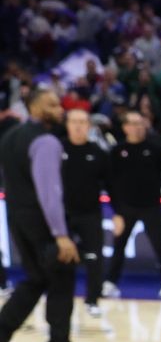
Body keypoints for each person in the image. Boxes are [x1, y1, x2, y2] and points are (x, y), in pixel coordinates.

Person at [0, 89, 84, 342]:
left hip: (16, 216)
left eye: (59, 104)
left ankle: (1, 336)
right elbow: (49, 193)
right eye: (51, 105)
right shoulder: (46, 142)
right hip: (42, 222)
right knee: (61, 280)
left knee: (35, 279)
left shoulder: (10, 137)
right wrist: (61, 234)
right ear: (34, 107)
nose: (59, 109)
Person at [104, 110, 161, 300]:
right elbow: (109, 182)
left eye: (141, 124)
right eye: (134, 124)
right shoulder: (116, 151)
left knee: (159, 245)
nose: (138, 127)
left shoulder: (155, 149)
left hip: (151, 206)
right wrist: (116, 211)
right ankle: (110, 282)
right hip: (125, 207)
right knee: (119, 245)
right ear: (125, 127)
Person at [61, 108, 111, 318]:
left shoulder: (98, 153)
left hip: (90, 213)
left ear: (89, 126)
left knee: (94, 258)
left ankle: (92, 299)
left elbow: (110, 184)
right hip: (63, 215)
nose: (79, 126)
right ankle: (62, 299)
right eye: (75, 121)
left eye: (83, 122)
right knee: (61, 259)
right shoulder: (58, 149)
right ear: (68, 124)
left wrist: (117, 212)